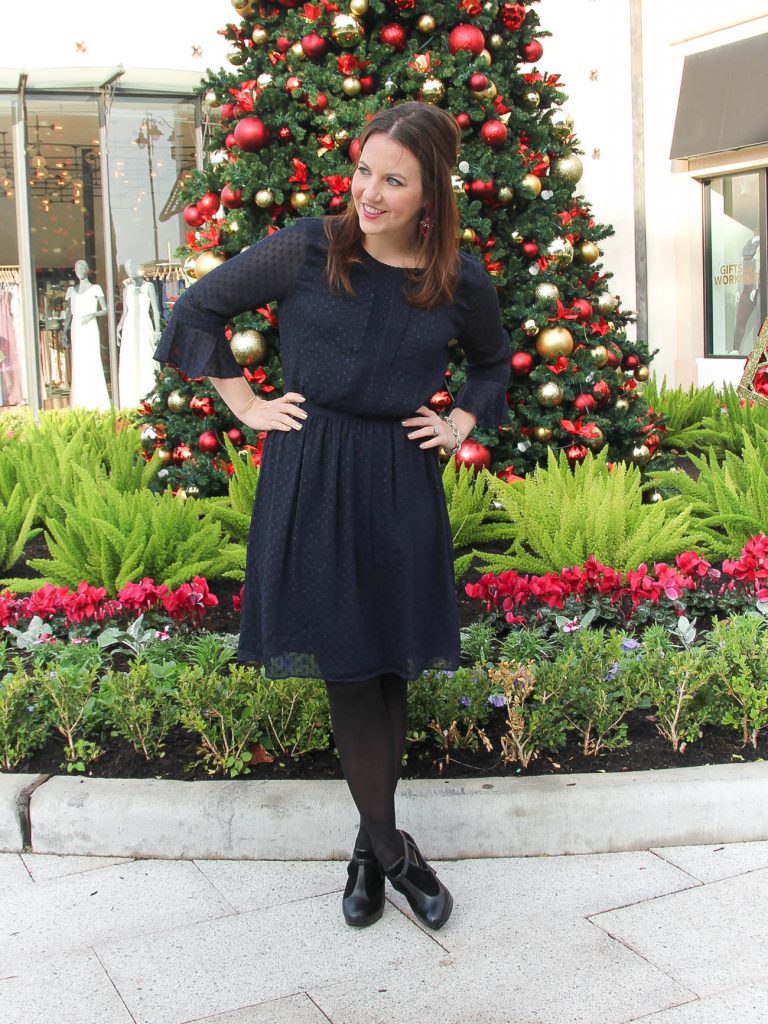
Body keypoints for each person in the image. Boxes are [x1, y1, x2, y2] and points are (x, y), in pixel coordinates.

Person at [154, 101, 511, 932]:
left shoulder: (456, 278)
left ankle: (366, 849)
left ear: (431, 194)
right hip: (314, 472)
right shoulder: (309, 245)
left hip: (399, 476)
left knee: (385, 661)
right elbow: (198, 308)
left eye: (394, 180)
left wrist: (459, 420)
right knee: (349, 665)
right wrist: (244, 404)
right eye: (364, 172)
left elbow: (493, 364)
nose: (371, 194)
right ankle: (394, 854)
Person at [65, 259, 110, 411]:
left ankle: (95, 400)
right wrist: (66, 330)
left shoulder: (95, 288)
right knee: (79, 362)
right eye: (77, 267)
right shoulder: (72, 291)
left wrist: (92, 314)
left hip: (89, 327)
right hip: (77, 328)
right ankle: (80, 401)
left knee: (91, 359)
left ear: (87, 269)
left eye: (82, 267)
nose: (79, 270)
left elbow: (105, 309)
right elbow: (69, 313)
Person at [116, 259, 161, 408]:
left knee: (146, 356)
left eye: (133, 268)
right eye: (128, 269)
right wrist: (119, 326)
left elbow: (155, 310)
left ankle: (149, 396)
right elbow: (125, 312)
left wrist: (157, 330)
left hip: (144, 324)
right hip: (129, 327)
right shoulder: (126, 289)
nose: (130, 271)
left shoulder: (149, 287)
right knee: (131, 358)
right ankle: (131, 399)